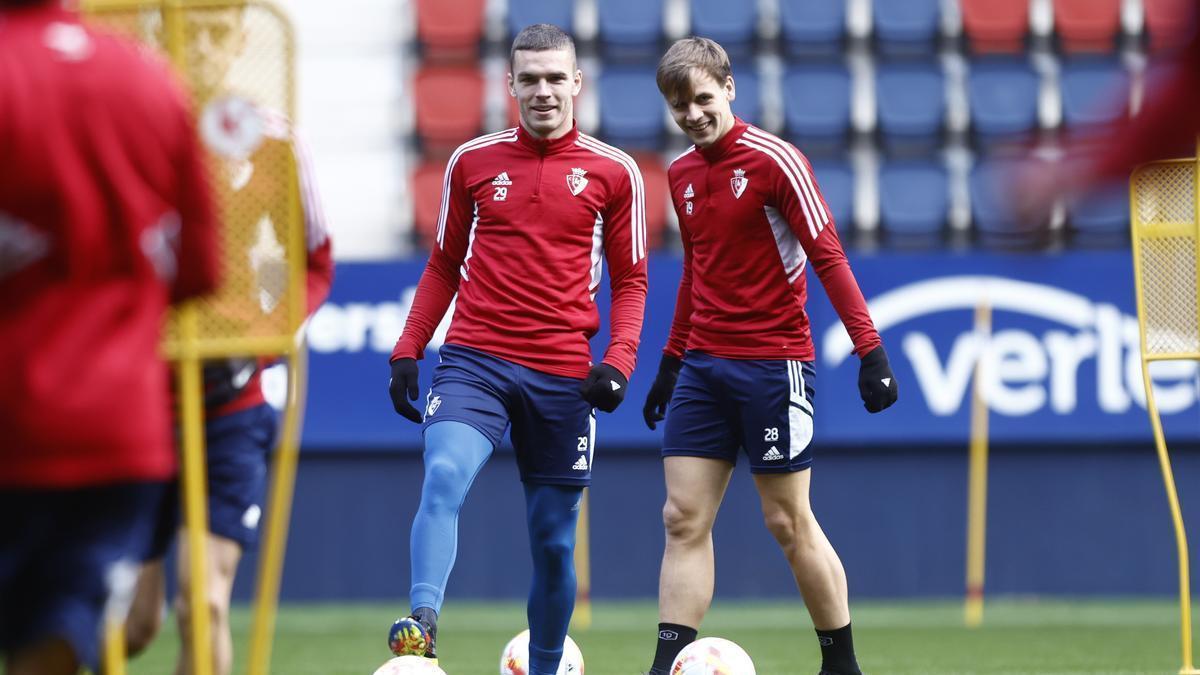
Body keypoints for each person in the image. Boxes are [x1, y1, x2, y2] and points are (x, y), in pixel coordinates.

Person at [386, 23, 648, 675]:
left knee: (554, 545)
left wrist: (618, 362)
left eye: (555, 77)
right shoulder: (471, 162)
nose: (542, 91)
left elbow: (634, 280)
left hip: (564, 376)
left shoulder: (615, 173)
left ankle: (548, 663)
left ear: (577, 84)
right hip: (475, 360)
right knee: (444, 473)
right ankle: (423, 621)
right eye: (529, 78)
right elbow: (444, 263)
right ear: (509, 84)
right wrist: (408, 347)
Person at [639, 38, 898, 675]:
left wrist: (872, 351)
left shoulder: (777, 160)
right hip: (703, 366)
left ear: (729, 87)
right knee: (681, 517)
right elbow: (696, 272)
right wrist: (671, 363)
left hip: (773, 363)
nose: (693, 113)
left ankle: (842, 664)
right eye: (680, 105)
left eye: (703, 97)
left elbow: (828, 254)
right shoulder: (681, 175)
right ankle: (665, 664)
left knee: (786, 519)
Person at [0, 0, 220, 672]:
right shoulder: (148, 77)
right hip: (120, 427)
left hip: (14, 414)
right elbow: (201, 270)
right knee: (58, 622)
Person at [119, 7, 334, 675]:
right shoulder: (126, 127)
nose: (202, 47)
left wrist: (263, 328)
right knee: (131, 622)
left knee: (202, 602)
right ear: (160, 32)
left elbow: (308, 260)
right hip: (139, 404)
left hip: (230, 404)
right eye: (190, 29)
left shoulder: (272, 142)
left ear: (242, 39)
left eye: (218, 32)